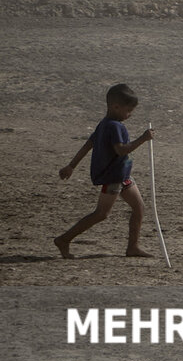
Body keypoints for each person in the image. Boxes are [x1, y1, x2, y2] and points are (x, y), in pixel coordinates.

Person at [55, 83, 156, 259]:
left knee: (139, 208)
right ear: (115, 106)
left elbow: (88, 144)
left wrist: (71, 166)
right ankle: (64, 239)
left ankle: (133, 247)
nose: (130, 114)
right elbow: (121, 150)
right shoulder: (114, 126)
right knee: (101, 213)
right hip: (113, 177)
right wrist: (143, 138)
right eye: (129, 110)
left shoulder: (104, 124)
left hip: (123, 176)